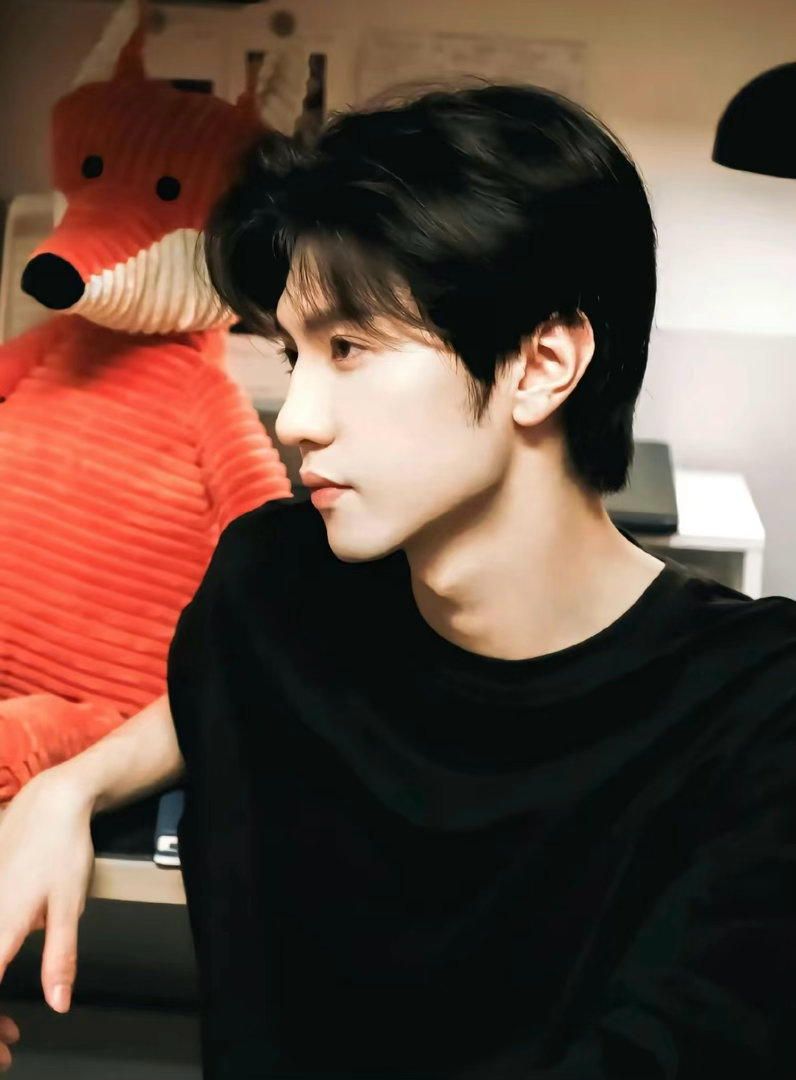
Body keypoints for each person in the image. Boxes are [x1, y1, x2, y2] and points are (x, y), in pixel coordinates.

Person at [0, 82, 794, 1079]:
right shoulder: (271, 588)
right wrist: (68, 786)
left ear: (541, 364)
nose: (297, 420)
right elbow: (218, 686)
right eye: (293, 355)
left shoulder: (758, 713)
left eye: (350, 348)